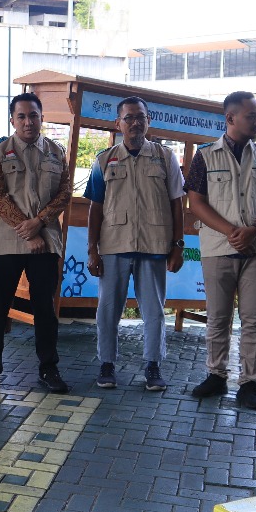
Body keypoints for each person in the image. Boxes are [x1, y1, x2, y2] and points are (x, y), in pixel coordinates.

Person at [186, 91, 256, 411]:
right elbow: (196, 202)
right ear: (230, 118)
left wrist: (253, 230)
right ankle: (216, 376)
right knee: (218, 318)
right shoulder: (206, 156)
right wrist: (231, 231)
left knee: (253, 320)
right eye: (252, 116)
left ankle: (249, 384)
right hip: (219, 248)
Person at [85, 97, 185, 392]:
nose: (135, 123)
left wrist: (178, 245)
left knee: (154, 311)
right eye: (128, 118)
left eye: (140, 117)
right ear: (118, 123)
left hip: (154, 247)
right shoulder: (104, 160)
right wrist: (92, 250)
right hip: (113, 246)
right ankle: (106, 364)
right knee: (107, 311)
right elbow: (95, 208)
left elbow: (177, 204)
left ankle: (153, 365)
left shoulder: (165, 157)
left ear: (148, 121)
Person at [0, 92, 73, 394]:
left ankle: (49, 368)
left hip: (45, 240)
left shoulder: (56, 152)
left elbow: (64, 193)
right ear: (12, 120)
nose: (28, 121)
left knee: (44, 307)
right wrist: (29, 231)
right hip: (7, 240)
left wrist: (39, 223)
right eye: (21, 116)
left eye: (33, 115)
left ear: (42, 117)